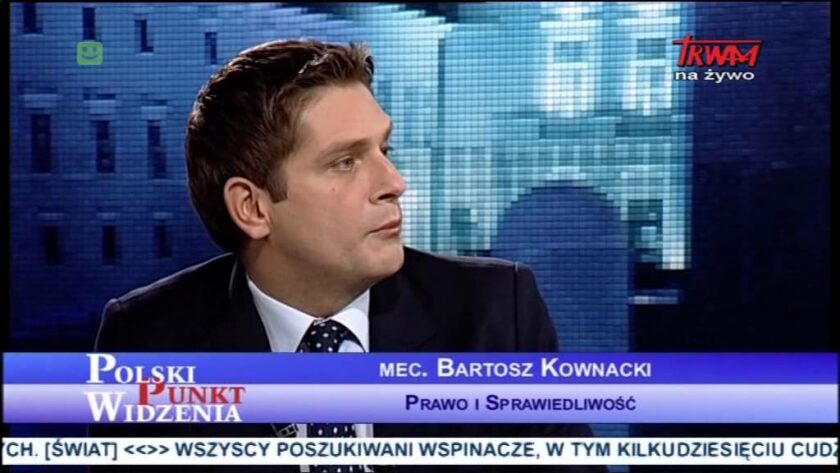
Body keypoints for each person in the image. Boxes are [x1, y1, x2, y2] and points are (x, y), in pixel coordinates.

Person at [91, 39, 604, 473]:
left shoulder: (497, 316)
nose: (394, 183)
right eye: (345, 162)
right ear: (253, 207)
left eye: (385, 150)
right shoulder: (148, 344)